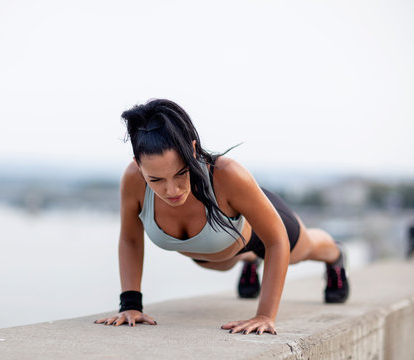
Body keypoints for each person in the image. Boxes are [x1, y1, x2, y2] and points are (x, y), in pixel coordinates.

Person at [95, 99, 349, 335]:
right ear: (138, 165)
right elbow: (130, 239)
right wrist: (130, 305)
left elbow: (276, 240)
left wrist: (264, 315)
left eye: (181, 173)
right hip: (216, 252)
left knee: (303, 251)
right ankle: (249, 259)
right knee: (218, 261)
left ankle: (335, 255)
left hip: (263, 229)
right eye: (156, 180)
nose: (171, 190)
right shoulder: (132, 180)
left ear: (193, 150)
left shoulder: (228, 175)